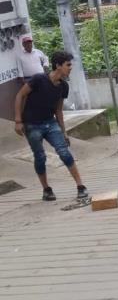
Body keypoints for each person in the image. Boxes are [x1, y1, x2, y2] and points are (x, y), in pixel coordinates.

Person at [14, 51, 89, 201]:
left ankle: (81, 186)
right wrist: (18, 120)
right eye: (68, 65)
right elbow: (20, 95)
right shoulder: (38, 79)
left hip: (50, 123)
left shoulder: (63, 87)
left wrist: (64, 132)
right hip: (32, 125)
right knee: (40, 157)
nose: (70, 68)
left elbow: (58, 110)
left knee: (64, 153)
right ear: (58, 65)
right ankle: (46, 190)